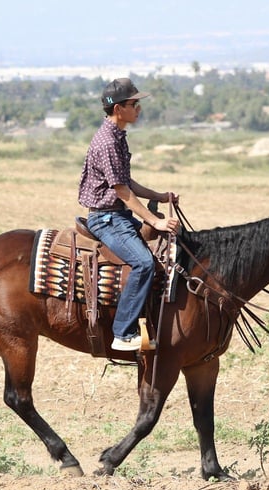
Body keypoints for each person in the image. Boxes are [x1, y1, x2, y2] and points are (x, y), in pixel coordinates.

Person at [78, 78, 180, 352]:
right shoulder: (108, 142)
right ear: (118, 109)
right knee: (144, 263)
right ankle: (123, 333)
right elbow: (122, 191)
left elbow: (126, 182)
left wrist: (160, 196)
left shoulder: (117, 136)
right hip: (107, 218)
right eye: (134, 104)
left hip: (118, 215)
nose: (139, 109)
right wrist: (155, 220)